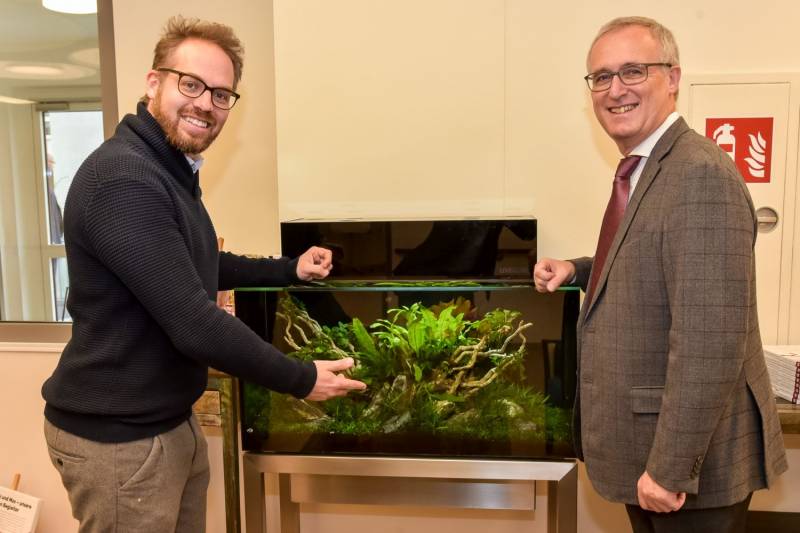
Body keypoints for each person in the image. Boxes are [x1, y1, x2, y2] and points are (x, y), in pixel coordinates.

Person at [41, 16, 366, 533]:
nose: (205, 104)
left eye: (220, 94)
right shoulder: (124, 178)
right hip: (119, 438)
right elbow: (193, 321)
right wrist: (301, 378)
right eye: (190, 84)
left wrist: (290, 269)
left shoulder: (169, 171)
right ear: (154, 82)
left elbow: (201, 263)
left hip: (167, 420)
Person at [533, 16, 787, 533]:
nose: (615, 90)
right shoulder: (650, 168)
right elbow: (658, 265)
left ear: (672, 78)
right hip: (649, 456)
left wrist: (670, 468)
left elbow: (709, 340)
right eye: (601, 77)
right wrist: (579, 270)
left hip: (684, 469)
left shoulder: (699, 173)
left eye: (633, 71)